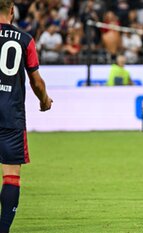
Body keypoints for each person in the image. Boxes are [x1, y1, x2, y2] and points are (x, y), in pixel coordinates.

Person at [0, 1, 53, 232]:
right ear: (12, 11)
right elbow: (36, 81)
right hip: (11, 115)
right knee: (11, 176)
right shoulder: (24, 39)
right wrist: (44, 100)